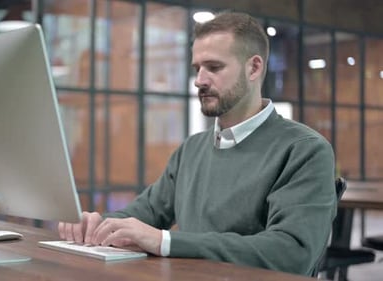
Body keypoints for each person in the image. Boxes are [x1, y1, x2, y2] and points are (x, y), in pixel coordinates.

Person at [58, 11, 337, 276]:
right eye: (197, 68)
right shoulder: (192, 149)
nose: (199, 81)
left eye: (214, 67)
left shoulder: (305, 150)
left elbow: (291, 253)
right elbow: (144, 215)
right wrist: (97, 224)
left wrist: (167, 242)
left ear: (254, 68)